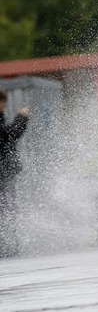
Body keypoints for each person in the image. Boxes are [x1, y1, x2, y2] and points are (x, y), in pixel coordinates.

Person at [0, 90, 29, 258]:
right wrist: (21, 119)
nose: (3, 107)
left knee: (8, 210)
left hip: (5, 175)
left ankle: (8, 246)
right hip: (2, 176)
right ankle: (7, 248)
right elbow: (9, 137)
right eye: (2, 103)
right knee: (6, 210)